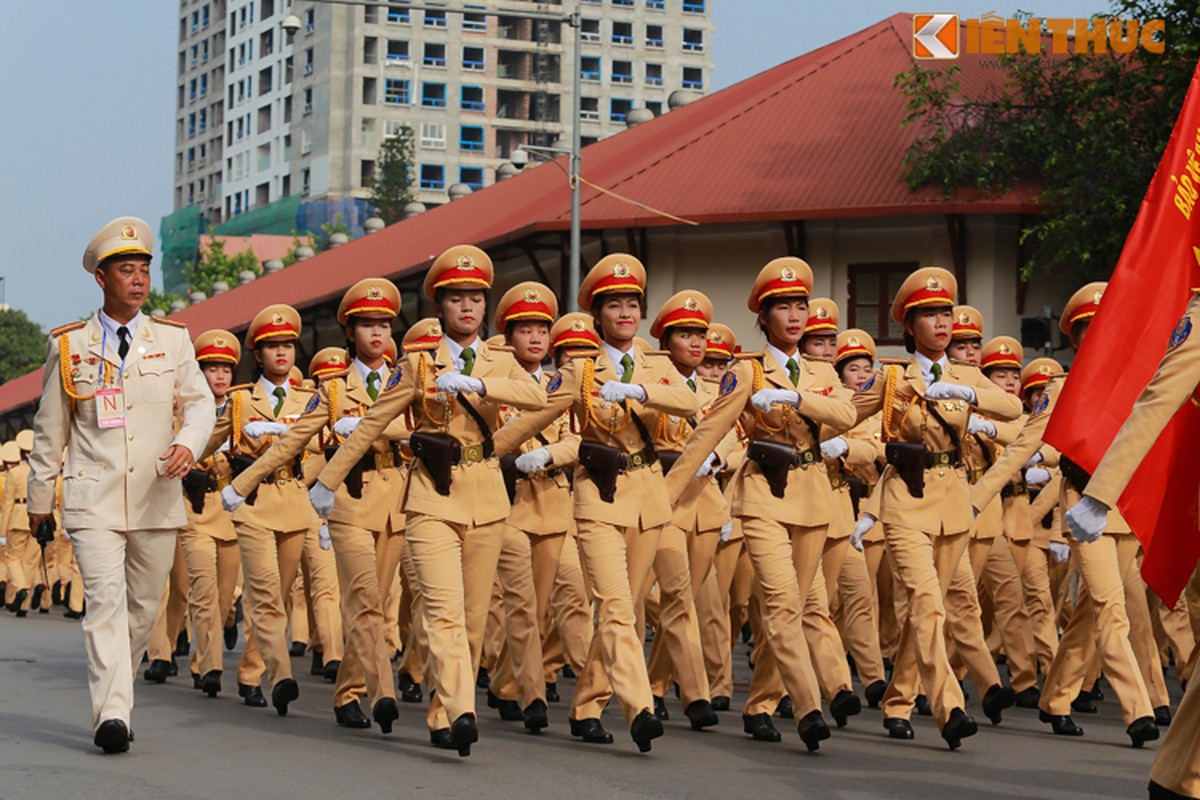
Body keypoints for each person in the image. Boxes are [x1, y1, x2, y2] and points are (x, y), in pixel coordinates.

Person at [306, 246, 546, 756]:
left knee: (475, 616)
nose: (467, 307)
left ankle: (442, 709)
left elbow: (538, 399)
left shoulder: (503, 359)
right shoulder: (417, 363)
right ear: (439, 307)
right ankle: (461, 709)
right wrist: (328, 479)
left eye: (476, 298)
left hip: (486, 495)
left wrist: (481, 382)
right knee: (443, 612)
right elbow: (374, 421)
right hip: (432, 497)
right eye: (456, 298)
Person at [492, 253, 698, 754]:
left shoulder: (660, 364)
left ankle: (586, 703)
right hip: (597, 496)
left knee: (623, 609)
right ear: (597, 313)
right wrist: (483, 456)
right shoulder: (581, 368)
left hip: (648, 496)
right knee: (613, 608)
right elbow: (538, 412)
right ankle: (638, 707)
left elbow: (692, 405)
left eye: (632, 304)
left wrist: (640, 388)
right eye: (614, 305)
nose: (625, 313)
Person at [27, 216, 214, 753]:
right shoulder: (70, 348)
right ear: (101, 280)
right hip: (94, 499)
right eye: (125, 271)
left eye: (143, 271)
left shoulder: (174, 341)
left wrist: (188, 444)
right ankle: (112, 714)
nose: (137, 280)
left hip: (157, 495)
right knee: (106, 603)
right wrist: (41, 500)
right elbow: (50, 430)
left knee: (141, 610)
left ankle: (117, 691)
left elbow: (201, 403)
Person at [665, 257, 855, 753]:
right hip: (764, 498)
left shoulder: (818, 370)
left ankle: (763, 703)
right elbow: (710, 431)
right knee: (780, 602)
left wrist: (795, 397)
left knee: (802, 607)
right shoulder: (746, 371)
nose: (795, 316)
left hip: (814, 497)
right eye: (783, 307)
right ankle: (813, 704)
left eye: (800, 306)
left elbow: (847, 412)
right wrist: (667, 494)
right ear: (764, 316)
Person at [969, 282, 1158, 747]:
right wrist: (974, 498)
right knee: (1112, 609)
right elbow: (1021, 449)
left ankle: (1056, 696)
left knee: (1091, 614)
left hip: (1128, 507)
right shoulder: (1060, 390)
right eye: (1090, 331)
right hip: (1082, 508)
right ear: (1076, 340)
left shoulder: (1142, 383)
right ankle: (1140, 711)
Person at [848, 266, 1022, 749]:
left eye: (946, 312)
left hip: (954, 502)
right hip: (905, 497)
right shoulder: (891, 379)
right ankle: (949, 706)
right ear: (909, 326)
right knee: (926, 604)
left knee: (945, 606)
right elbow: (847, 412)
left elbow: (1014, 412)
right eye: (928, 314)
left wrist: (968, 392)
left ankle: (898, 700)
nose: (941, 323)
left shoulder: (969, 375)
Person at [204, 304, 319, 717]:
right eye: (273, 346)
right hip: (252, 505)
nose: (282, 353)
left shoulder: (311, 399)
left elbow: (322, 450)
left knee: (281, 595)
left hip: (294, 500)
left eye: (288, 344)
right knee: (265, 595)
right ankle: (281, 674)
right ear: (259, 354)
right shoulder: (239, 402)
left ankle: (251, 672)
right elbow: (206, 444)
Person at [642, 290, 723, 730]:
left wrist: (718, 455)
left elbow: (735, 429)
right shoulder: (655, 383)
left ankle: (655, 686)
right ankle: (696, 695)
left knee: (684, 600)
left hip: (707, 503)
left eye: (700, 334)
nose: (695, 343)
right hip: (664, 498)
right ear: (666, 340)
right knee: (675, 594)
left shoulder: (716, 387)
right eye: (684, 334)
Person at [177, 329, 262, 700]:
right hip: (195, 510)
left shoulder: (245, 409)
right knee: (203, 591)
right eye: (212, 369)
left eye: (226, 369)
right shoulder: (180, 410)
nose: (220, 376)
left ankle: (204, 655)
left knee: (226, 598)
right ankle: (208, 667)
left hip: (231, 511)